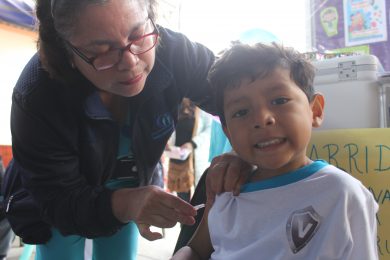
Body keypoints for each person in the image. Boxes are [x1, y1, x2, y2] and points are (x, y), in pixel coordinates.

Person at [1, 1, 251, 260]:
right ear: (67, 54)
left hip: (133, 183)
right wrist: (129, 203)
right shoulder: (36, 95)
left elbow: (240, 94)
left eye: (138, 35)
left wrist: (241, 148)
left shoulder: (176, 52)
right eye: (103, 50)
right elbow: (58, 200)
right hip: (67, 196)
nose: (130, 62)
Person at [172, 42, 379, 259]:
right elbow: (196, 250)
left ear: (315, 110)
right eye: (241, 112)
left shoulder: (343, 194)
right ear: (228, 132)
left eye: (279, 100)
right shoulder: (226, 190)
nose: (262, 119)